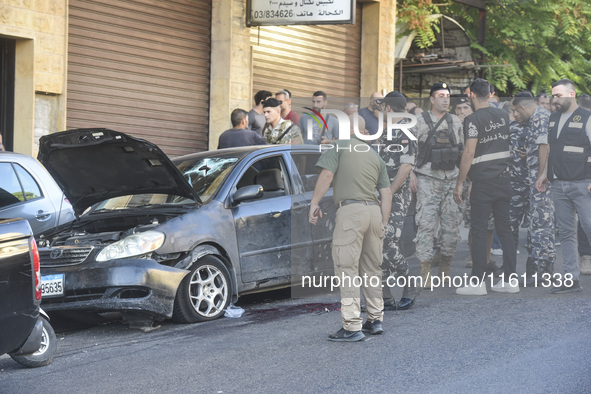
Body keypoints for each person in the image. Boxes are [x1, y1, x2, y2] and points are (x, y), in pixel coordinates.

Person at [309, 114, 392, 342]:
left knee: (347, 269)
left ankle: (352, 326)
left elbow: (327, 174)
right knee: (372, 269)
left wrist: (314, 203)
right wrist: (383, 223)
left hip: (351, 213)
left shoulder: (339, 145)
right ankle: (375, 320)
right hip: (374, 213)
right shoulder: (374, 156)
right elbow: (386, 193)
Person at [453, 78, 519, 295]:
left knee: (479, 230)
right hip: (505, 180)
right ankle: (510, 281)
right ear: (490, 94)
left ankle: (477, 283)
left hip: (483, 183)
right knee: (506, 230)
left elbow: (469, 152)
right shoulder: (504, 115)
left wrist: (461, 182)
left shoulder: (472, 120)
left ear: (471, 94)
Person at [536, 78, 591, 293]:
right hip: (558, 185)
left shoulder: (587, 118)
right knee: (567, 234)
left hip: (583, 184)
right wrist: (543, 174)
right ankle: (571, 279)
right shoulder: (553, 119)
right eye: (553, 95)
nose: (554, 99)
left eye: (558, 95)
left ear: (572, 94)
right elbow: (553, 149)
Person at [413, 82, 464, 288]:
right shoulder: (419, 121)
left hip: (451, 179)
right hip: (427, 178)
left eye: (447, 95)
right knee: (426, 226)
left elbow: (461, 149)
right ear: (432, 99)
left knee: (451, 227)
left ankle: (445, 268)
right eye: (441, 95)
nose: (445, 99)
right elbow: (410, 151)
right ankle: (425, 271)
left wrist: (463, 181)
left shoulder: (455, 121)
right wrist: (411, 175)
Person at [375, 91, 418, 310]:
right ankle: (384, 296)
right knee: (376, 241)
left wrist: (390, 192)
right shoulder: (386, 132)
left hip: (394, 195)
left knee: (386, 241)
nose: (381, 111)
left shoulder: (406, 130)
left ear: (389, 109)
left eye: (382, 107)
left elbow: (406, 166)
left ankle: (409, 282)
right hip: (379, 193)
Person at [511, 92, 556, 285]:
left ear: (522, 107)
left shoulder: (539, 118)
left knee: (541, 225)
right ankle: (542, 267)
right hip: (535, 179)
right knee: (540, 223)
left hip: (541, 182)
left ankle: (541, 270)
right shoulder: (537, 119)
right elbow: (537, 147)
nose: (514, 116)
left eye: (515, 111)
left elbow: (545, 146)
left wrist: (540, 176)